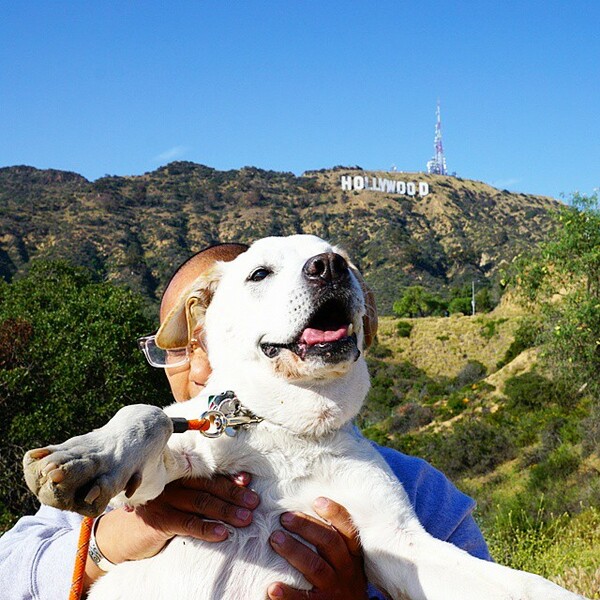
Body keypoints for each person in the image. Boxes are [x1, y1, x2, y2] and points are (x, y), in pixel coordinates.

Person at [0, 243, 491, 600]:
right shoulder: (105, 464)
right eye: (174, 348)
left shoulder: (425, 495)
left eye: (206, 339)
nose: (199, 366)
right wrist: (106, 546)